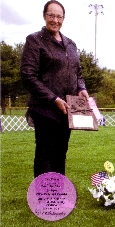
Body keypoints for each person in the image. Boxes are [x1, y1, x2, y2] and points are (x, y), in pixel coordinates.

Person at [20, 0, 89, 178]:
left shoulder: (71, 44)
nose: (55, 20)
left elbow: (78, 73)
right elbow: (28, 76)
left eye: (59, 16)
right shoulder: (35, 40)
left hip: (67, 110)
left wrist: (81, 88)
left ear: (64, 18)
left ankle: (58, 197)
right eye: (51, 15)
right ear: (44, 16)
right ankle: (43, 199)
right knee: (45, 154)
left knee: (60, 153)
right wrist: (54, 99)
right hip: (45, 109)